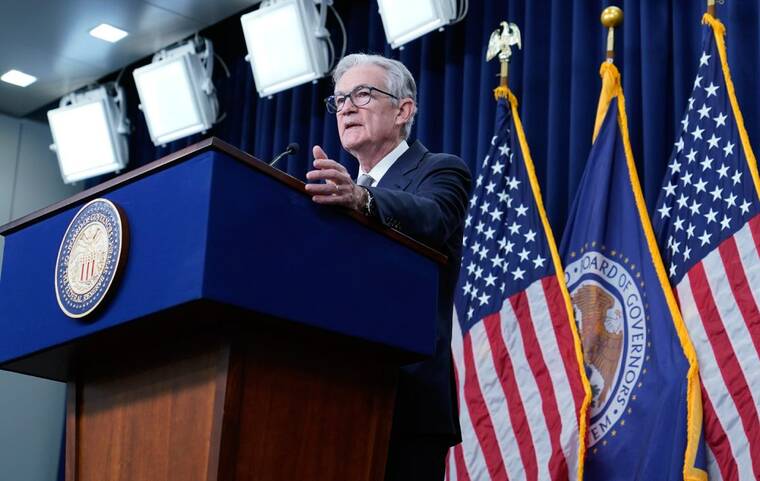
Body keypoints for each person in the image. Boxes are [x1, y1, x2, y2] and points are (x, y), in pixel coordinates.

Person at [304, 53, 472, 480]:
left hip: (405, 396)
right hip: (331, 395)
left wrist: (364, 201)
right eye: (339, 99)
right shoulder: (335, 195)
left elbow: (433, 218)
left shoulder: (440, 171)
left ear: (404, 110)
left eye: (362, 94)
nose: (345, 107)